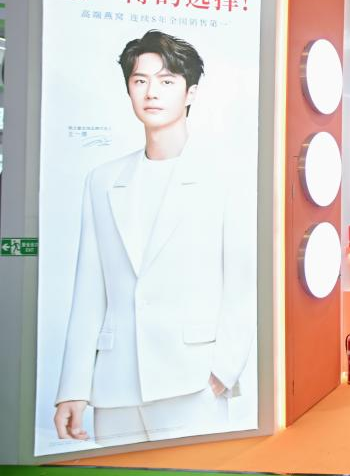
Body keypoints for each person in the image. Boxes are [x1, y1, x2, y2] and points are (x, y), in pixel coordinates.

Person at [54, 31, 254, 445]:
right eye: (140, 81)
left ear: (190, 92)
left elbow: (243, 283)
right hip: (115, 387)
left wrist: (222, 372)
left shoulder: (225, 177)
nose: (151, 92)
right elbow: (89, 289)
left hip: (193, 381)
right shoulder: (102, 181)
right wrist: (73, 387)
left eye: (166, 81)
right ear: (128, 89)